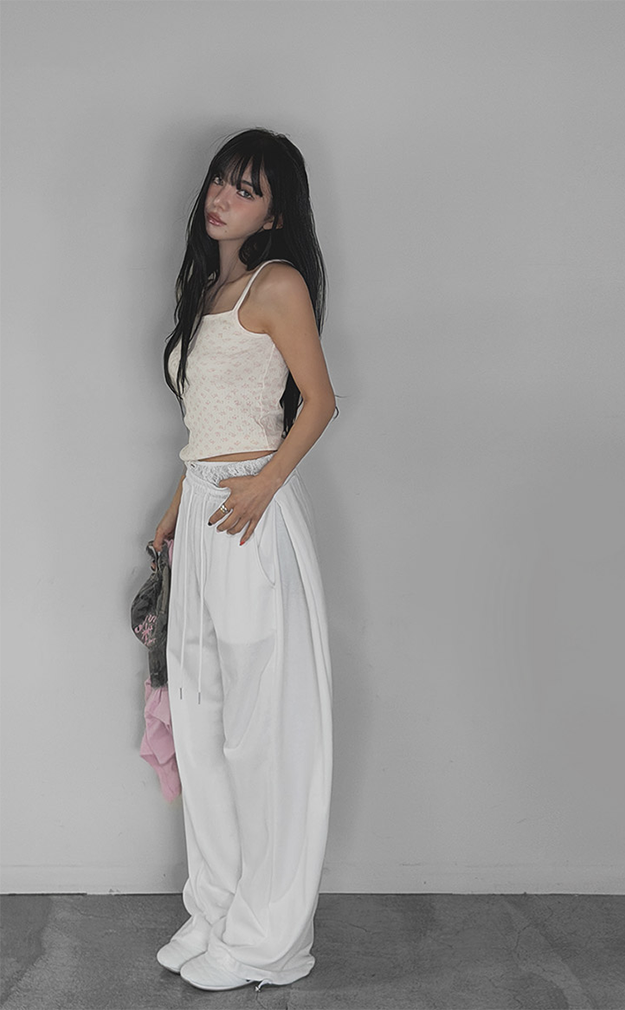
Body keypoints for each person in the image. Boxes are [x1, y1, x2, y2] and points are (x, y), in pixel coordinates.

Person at [151, 128, 336, 992]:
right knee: (202, 721)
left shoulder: (277, 284)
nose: (222, 197)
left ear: (276, 213)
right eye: (220, 180)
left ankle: (268, 937)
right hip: (204, 511)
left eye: (247, 189)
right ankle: (218, 904)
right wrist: (176, 507)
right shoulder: (208, 288)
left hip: (250, 516)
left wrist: (263, 486)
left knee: (263, 733)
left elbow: (318, 401)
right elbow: (207, 423)